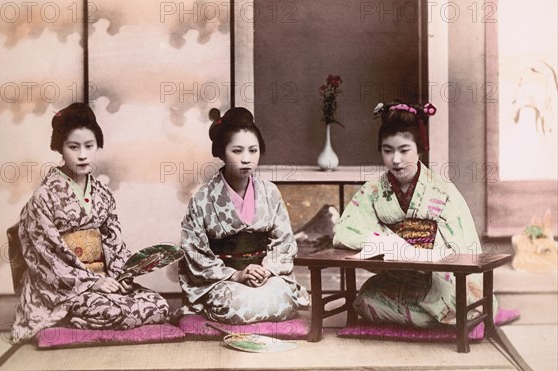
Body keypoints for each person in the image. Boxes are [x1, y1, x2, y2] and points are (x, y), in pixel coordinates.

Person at [11, 103, 169, 343]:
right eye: (73, 147)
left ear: (98, 146)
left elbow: (114, 241)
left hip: (105, 279)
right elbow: (47, 255)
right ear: (60, 148)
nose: (82, 155)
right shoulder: (44, 196)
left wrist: (121, 277)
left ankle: (87, 319)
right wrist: (92, 282)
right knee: (113, 310)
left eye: (89, 146)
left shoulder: (102, 193)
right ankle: (73, 319)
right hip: (65, 286)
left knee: (158, 305)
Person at [333, 100, 497, 326]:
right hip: (399, 276)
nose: (396, 160)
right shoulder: (372, 190)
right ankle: (430, 319)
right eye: (387, 151)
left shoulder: (443, 190)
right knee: (364, 301)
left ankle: (422, 316)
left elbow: (463, 245)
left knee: (464, 298)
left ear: (420, 148)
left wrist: (425, 253)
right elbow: (345, 232)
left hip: (438, 277)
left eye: (404, 150)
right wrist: (386, 241)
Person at [175, 107, 309, 324]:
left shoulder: (270, 192)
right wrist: (236, 275)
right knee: (234, 305)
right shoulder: (202, 198)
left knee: (283, 299)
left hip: (264, 275)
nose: (246, 159)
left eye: (253, 151)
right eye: (237, 151)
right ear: (221, 152)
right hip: (224, 279)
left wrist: (266, 270)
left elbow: (284, 242)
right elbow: (194, 252)